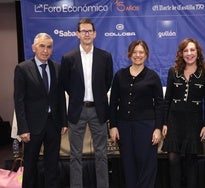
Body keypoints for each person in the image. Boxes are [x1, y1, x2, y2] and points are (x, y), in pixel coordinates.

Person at [60, 18, 113, 188]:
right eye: (83, 31)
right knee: (75, 155)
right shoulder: (68, 58)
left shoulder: (105, 57)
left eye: (90, 31)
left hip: (98, 110)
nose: (87, 34)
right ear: (77, 34)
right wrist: (77, 98)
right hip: (77, 110)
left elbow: (107, 81)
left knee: (102, 154)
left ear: (95, 34)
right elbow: (66, 84)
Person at [14, 33, 67, 188]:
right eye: (42, 46)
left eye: (49, 47)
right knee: (30, 165)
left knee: (52, 164)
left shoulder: (57, 68)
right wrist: (23, 128)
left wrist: (63, 121)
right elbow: (19, 101)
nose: (45, 50)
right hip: (32, 127)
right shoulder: (22, 68)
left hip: (53, 124)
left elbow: (60, 98)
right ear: (34, 48)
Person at [109, 40, 163, 188]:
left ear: (146, 55)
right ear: (129, 54)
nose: (137, 55)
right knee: (128, 164)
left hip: (146, 127)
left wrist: (158, 128)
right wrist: (113, 126)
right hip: (124, 127)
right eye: (134, 52)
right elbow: (113, 103)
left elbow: (159, 105)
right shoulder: (120, 75)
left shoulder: (153, 76)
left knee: (147, 165)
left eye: (141, 52)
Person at [161, 38, 205, 188]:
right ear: (181, 53)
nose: (189, 53)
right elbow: (167, 100)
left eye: (192, 50)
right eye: (186, 50)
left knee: (191, 161)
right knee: (173, 159)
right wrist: (164, 122)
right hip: (174, 121)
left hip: (194, 122)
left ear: (198, 52)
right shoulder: (173, 72)